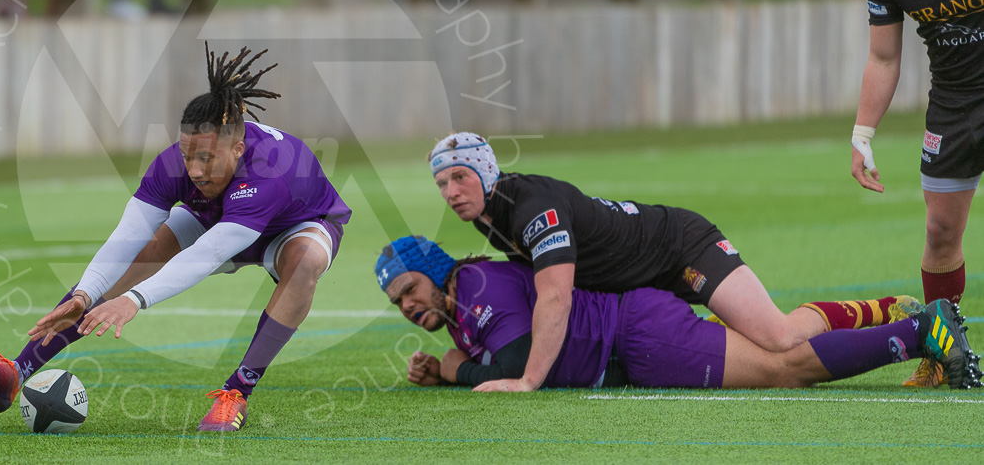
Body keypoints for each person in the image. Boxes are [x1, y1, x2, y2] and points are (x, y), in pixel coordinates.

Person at [0, 46, 350, 432]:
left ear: (238, 148)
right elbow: (127, 237)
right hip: (220, 214)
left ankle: (237, 392)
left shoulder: (268, 173)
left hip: (297, 224)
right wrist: (84, 295)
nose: (193, 170)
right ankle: (16, 372)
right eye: (187, 156)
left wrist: (133, 299)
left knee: (305, 263)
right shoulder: (172, 164)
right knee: (148, 251)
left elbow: (208, 254)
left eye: (206, 159)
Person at [430, 132, 920, 393]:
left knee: (779, 337)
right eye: (442, 184)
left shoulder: (533, 209)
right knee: (773, 338)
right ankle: (889, 312)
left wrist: (528, 380)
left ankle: (887, 311)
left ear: (486, 171)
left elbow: (556, 297)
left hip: (681, 248)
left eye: (460, 177)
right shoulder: (491, 217)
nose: (451, 192)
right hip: (647, 279)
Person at [377, 236, 982, 391]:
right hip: (638, 332)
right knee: (779, 341)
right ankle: (887, 312)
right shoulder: (459, 309)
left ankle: (920, 332)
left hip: (638, 338)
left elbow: (512, 366)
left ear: (435, 270)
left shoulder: (476, 284)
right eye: (397, 301)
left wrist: (454, 370)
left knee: (784, 366)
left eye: (409, 289)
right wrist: (451, 365)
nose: (406, 305)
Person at [854, 0, 980, 388]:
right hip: (952, 106)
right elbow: (884, 58)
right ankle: (941, 352)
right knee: (940, 229)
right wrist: (862, 135)